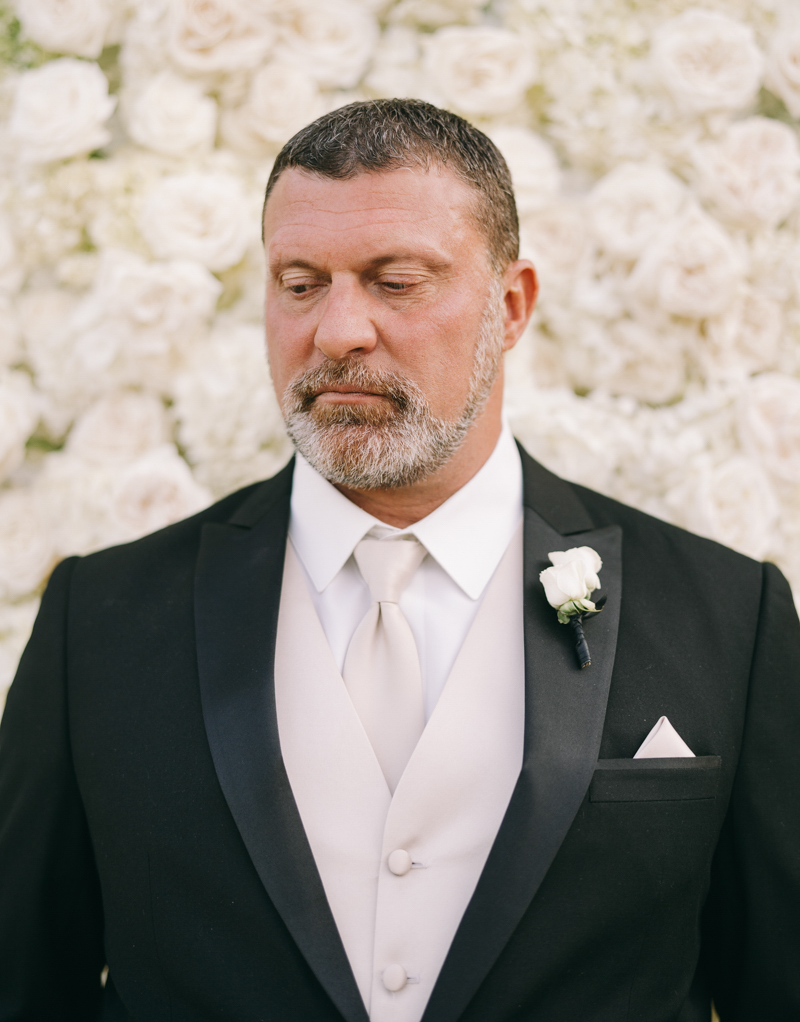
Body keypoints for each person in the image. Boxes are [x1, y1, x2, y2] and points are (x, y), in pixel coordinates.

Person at [0, 99, 798, 1022]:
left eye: (396, 281)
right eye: (300, 282)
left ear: (511, 306)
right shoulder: (98, 621)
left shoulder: (727, 619)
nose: (338, 331)